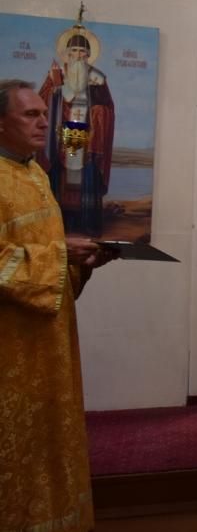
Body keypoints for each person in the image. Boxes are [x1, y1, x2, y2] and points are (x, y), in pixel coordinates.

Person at [0, 79, 117, 532]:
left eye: (41, 114)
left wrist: (81, 262)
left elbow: (50, 255)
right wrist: (59, 255)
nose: (42, 122)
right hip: (11, 348)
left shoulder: (34, 175)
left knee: (48, 439)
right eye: (29, 114)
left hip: (50, 346)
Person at [36, 30, 115, 237]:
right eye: (74, 50)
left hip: (87, 137)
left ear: (88, 54)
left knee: (85, 176)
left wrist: (98, 113)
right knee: (59, 176)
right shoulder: (56, 74)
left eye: (82, 51)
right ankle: (58, 224)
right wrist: (55, 90)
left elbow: (107, 108)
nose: (78, 55)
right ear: (67, 53)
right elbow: (41, 102)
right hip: (60, 135)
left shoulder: (97, 78)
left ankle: (86, 223)